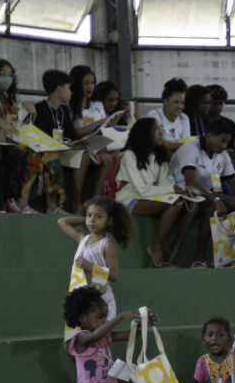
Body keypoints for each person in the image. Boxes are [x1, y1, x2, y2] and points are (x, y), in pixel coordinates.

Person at [170, 118, 235, 268]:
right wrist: (215, 199)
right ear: (209, 136)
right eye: (222, 141)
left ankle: (227, 257)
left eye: (227, 142)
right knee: (214, 207)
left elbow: (234, 182)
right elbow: (191, 182)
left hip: (205, 194)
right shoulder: (190, 148)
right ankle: (199, 259)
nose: (224, 145)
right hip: (183, 193)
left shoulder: (222, 154)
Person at [115, 117, 191, 268]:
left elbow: (166, 183)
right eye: (156, 130)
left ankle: (170, 255)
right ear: (145, 133)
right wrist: (172, 190)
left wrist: (179, 190)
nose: (161, 133)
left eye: (160, 129)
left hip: (150, 196)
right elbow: (142, 190)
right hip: (129, 199)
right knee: (175, 203)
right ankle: (156, 247)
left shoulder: (159, 155)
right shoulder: (129, 156)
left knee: (189, 205)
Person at [57, 196, 132, 322]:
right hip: (82, 299)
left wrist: (90, 266)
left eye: (99, 217)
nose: (92, 220)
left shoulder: (107, 245)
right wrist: (87, 220)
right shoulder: (83, 239)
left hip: (100, 301)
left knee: (99, 337)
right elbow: (62, 221)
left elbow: (114, 275)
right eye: (89, 215)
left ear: (109, 220)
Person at [0, 57, 37, 213]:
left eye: (10, 74)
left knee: (27, 153)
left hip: (7, 140)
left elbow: (16, 126)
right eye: (2, 74)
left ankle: (14, 199)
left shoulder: (9, 98)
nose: (6, 78)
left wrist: (30, 115)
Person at [31, 69, 83, 214]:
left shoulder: (64, 111)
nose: (71, 92)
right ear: (59, 89)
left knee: (84, 155)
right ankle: (52, 204)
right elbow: (40, 136)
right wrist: (62, 143)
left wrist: (75, 143)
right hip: (46, 151)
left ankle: (74, 202)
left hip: (63, 150)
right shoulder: (40, 108)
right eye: (68, 88)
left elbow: (71, 135)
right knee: (51, 153)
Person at [68, 65, 115, 212]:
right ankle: (76, 202)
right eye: (86, 83)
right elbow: (73, 133)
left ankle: (96, 201)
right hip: (76, 146)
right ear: (77, 84)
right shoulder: (69, 105)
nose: (90, 87)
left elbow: (102, 130)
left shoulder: (97, 105)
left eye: (92, 83)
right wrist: (96, 124)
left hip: (95, 145)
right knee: (84, 157)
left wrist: (109, 124)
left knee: (108, 158)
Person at [146, 78, 190, 154]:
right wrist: (175, 145)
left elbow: (187, 145)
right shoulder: (154, 115)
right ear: (166, 101)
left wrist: (169, 145)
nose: (180, 106)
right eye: (176, 102)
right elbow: (157, 144)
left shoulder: (184, 118)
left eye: (182, 103)